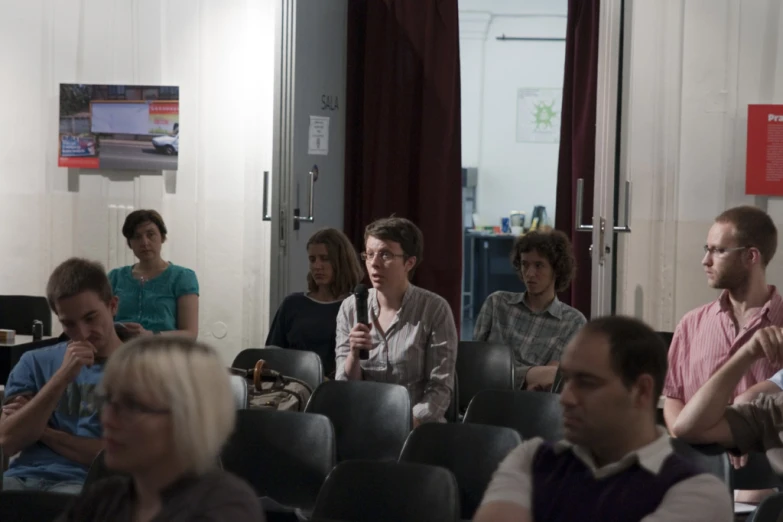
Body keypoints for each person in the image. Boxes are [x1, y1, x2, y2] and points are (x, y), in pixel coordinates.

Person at [473, 316, 732, 522]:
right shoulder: (529, 459)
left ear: (641, 391)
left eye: (586, 382)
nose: (566, 398)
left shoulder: (698, 493)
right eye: (567, 379)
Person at [55, 336, 264, 521]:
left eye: (132, 405)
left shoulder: (226, 507)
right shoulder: (103, 498)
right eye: (108, 400)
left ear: (187, 417)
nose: (107, 418)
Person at [0, 258, 123, 494]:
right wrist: (62, 377)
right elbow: (8, 441)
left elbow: (115, 458)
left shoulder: (141, 369)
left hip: (86, 487)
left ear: (113, 305)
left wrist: (42, 431)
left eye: (90, 318)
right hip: (20, 479)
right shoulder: (34, 362)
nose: (82, 333)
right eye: (68, 324)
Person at [663, 206, 783, 430]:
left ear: (750, 256)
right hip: (700, 459)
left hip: (766, 461)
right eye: (706, 249)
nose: (705, 261)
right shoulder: (691, 324)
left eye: (718, 251)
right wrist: (684, 440)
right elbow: (673, 396)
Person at [335, 217, 457, 425]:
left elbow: (439, 389)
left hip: (415, 426)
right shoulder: (350, 307)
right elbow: (345, 386)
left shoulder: (434, 309)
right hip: (363, 422)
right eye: (369, 254)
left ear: (409, 262)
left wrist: (404, 425)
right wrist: (354, 355)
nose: (374, 263)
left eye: (385, 254)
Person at [473, 230, 586, 391]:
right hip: (487, 395)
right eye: (525, 264)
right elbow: (475, 363)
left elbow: (554, 379)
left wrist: (504, 373)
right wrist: (530, 376)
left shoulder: (572, 321)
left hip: (536, 406)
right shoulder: (498, 303)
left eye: (539, 265)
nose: (530, 273)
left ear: (556, 269)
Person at [266, 228, 363, 376]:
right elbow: (272, 355)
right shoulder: (293, 304)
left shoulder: (353, 306)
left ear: (340, 261)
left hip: (335, 389)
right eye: (312, 259)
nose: (317, 266)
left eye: (325, 258)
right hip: (292, 388)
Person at [109, 209, 199, 338]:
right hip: (122, 352)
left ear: (162, 237)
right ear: (130, 243)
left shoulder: (182, 277)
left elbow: (190, 334)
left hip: (164, 353)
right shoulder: (115, 277)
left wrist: (151, 335)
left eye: (150, 234)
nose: (144, 242)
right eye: (137, 237)